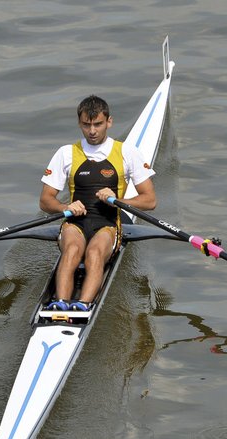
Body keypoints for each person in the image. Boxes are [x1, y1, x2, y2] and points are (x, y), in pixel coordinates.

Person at [39, 94, 157, 312]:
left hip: (108, 223)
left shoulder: (127, 152)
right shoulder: (66, 153)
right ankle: (61, 304)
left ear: (109, 122)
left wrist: (117, 201)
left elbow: (150, 201)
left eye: (98, 124)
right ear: (79, 124)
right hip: (74, 222)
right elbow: (46, 201)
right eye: (86, 125)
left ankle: (83, 305)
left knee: (94, 253)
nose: (92, 131)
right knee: (72, 249)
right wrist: (65, 207)